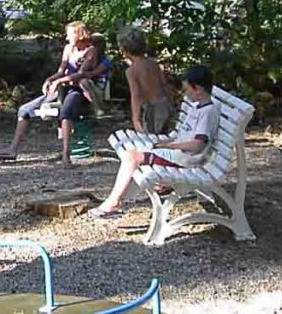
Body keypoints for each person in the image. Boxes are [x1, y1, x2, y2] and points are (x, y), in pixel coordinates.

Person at [89, 66, 220, 218]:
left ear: (198, 89)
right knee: (132, 154)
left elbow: (197, 145)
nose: (185, 93)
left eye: (187, 89)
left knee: (132, 157)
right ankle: (120, 200)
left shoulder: (208, 112)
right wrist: (168, 142)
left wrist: (167, 145)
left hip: (186, 158)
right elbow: (186, 135)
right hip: (178, 152)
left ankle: (113, 203)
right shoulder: (198, 106)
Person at [0, 20, 100, 165]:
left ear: (78, 34)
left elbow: (81, 74)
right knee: (24, 110)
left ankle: (66, 155)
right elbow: (61, 71)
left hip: (78, 89)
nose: (67, 38)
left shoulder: (90, 50)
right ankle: (12, 150)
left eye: (69, 34)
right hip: (62, 88)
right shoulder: (68, 48)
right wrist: (50, 79)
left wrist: (59, 82)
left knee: (65, 113)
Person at [119, 26, 174, 134]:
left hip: (151, 109)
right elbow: (164, 84)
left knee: (152, 137)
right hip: (164, 104)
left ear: (125, 51)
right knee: (162, 134)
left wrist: (136, 118)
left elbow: (136, 95)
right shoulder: (153, 64)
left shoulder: (131, 71)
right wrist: (170, 103)